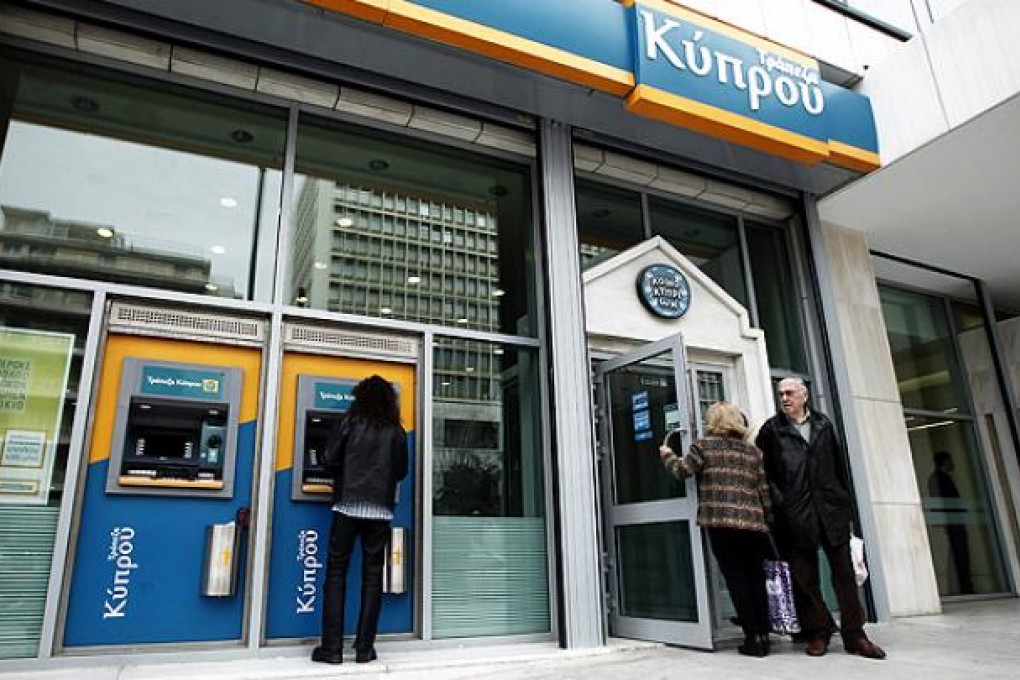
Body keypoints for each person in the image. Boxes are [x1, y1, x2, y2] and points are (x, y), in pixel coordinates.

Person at [755, 377, 886, 660]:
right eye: (781, 394)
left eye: (790, 393)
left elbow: (840, 468)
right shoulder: (771, 430)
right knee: (804, 579)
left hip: (831, 511)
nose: (785, 398)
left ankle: (855, 635)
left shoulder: (824, 425)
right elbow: (762, 474)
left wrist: (844, 504)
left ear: (805, 395)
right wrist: (781, 503)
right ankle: (817, 632)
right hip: (795, 514)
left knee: (845, 577)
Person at [659, 401, 773, 657]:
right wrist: (768, 522)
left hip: (722, 523)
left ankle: (752, 637)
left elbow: (682, 471)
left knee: (736, 579)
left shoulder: (704, 446)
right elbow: (763, 491)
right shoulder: (752, 452)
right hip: (754, 524)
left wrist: (667, 454)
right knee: (755, 579)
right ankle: (764, 635)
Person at [312, 375, 408, 665]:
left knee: (336, 573)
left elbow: (328, 457)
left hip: (347, 507)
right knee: (372, 577)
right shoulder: (396, 431)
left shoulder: (349, 421)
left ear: (360, 397)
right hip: (379, 511)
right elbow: (400, 471)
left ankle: (331, 649)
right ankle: (365, 649)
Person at [928, 450, 973, 594]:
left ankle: (964, 588)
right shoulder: (938, 479)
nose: (953, 463)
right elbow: (937, 502)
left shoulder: (943, 478)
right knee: (959, 557)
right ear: (945, 461)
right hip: (953, 524)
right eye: (950, 460)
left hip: (954, 523)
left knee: (960, 557)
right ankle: (964, 589)